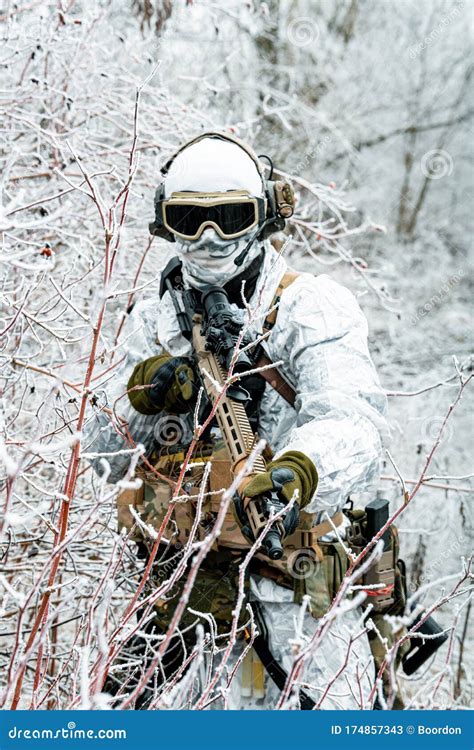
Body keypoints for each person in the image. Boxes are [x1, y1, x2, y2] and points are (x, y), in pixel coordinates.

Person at [85, 131, 389, 709]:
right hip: (172, 595)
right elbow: (100, 456)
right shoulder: (153, 320)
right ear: (165, 223)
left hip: (294, 591)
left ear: (262, 216)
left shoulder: (310, 306)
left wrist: (299, 469)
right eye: (190, 219)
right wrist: (144, 394)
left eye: (229, 217)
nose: (208, 238)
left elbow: (354, 419)